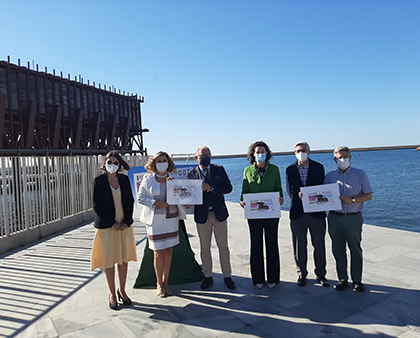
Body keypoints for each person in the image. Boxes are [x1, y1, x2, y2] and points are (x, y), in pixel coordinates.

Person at [91, 151, 137, 310]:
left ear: (119, 165)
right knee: (109, 261)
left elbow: (130, 201)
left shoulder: (124, 180)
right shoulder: (99, 181)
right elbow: (97, 205)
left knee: (123, 260)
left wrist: (126, 222)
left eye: (116, 163)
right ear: (104, 163)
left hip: (124, 227)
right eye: (109, 162)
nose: (112, 165)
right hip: (107, 228)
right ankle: (112, 293)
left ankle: (122, 291)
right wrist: (111, 223)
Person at [137, 151, 186, 297]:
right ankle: (159, 284)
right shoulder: (148, 179)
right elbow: (140, 198)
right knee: (158, 253)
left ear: (168, 163)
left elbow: (182, 196)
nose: (162, 163)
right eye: (159, 161)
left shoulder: (173, 179)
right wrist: (155, 203)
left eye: (164, 160)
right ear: (154, 163)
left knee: (169, 251)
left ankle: (166, 282)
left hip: (171, 219)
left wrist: (176, 189)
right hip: (155, 221)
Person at [324, 146, 373, 292]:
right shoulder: (330, 176)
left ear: (350, 158)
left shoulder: (360, 174)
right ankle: (342, 279)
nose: (343, 159)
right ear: (335, 159)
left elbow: (368, 195)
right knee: (338, 249)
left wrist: (351, 199)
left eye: (345, 157)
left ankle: (357, 280)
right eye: (340, 157)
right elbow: (322, 195)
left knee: (355, 249)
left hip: (353, 218)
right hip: (334, 217)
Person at [187, 146, 235, 290]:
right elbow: (187, 193)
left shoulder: (219, 169)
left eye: (208, 155)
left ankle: (227, 276)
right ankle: (208, 276)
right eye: (202, 156)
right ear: (197, 157)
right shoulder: (191, 174)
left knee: (223, 246)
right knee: (205, 247)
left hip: (219, 213)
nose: (205, 158)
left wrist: (212, 188)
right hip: (202, 216)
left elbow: (228, 188)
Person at [240, 141, 284, 289]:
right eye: (257, 152)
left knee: (272, 244)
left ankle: (273, 277)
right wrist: (242, 202)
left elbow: (279, 188)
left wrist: (280, 198)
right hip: (254, 215)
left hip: (271, 214)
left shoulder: (275, 170)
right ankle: (257, 278)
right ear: (253, 154)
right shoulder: (247, 171)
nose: (260, 155)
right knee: (256, 245)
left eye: (262, 152)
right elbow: (244, 191)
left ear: (267, 153)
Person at [286, 141, 329, 287]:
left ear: (309, 152)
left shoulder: (318, 167)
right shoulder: (289, 169)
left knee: (319, 244)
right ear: (294, 153)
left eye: (303, 150)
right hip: (298, 213)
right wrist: (297, 196)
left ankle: (321, 274)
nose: (301, 152)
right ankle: (302, 273)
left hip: (316, 213)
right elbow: (289, 191)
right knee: (299, 246)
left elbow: (323, 189)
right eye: (298, 151)